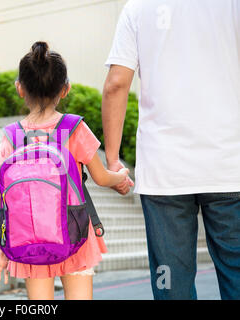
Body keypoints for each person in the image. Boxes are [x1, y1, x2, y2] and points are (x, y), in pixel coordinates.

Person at [102, 0, 240, 299]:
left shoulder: (138, 9)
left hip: (165, 173)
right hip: (230, 166)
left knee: (171, 285)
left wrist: (112, 160)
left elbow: (116, 84)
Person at [0, 41, 130, 300]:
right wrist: (120, 177)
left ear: (20, 88)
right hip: (74, 231)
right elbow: (101, 178)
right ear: (65, 89)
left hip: (28, 240)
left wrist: (1, 247)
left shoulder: (12, 136)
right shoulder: (73, 127)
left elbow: (1, 197)